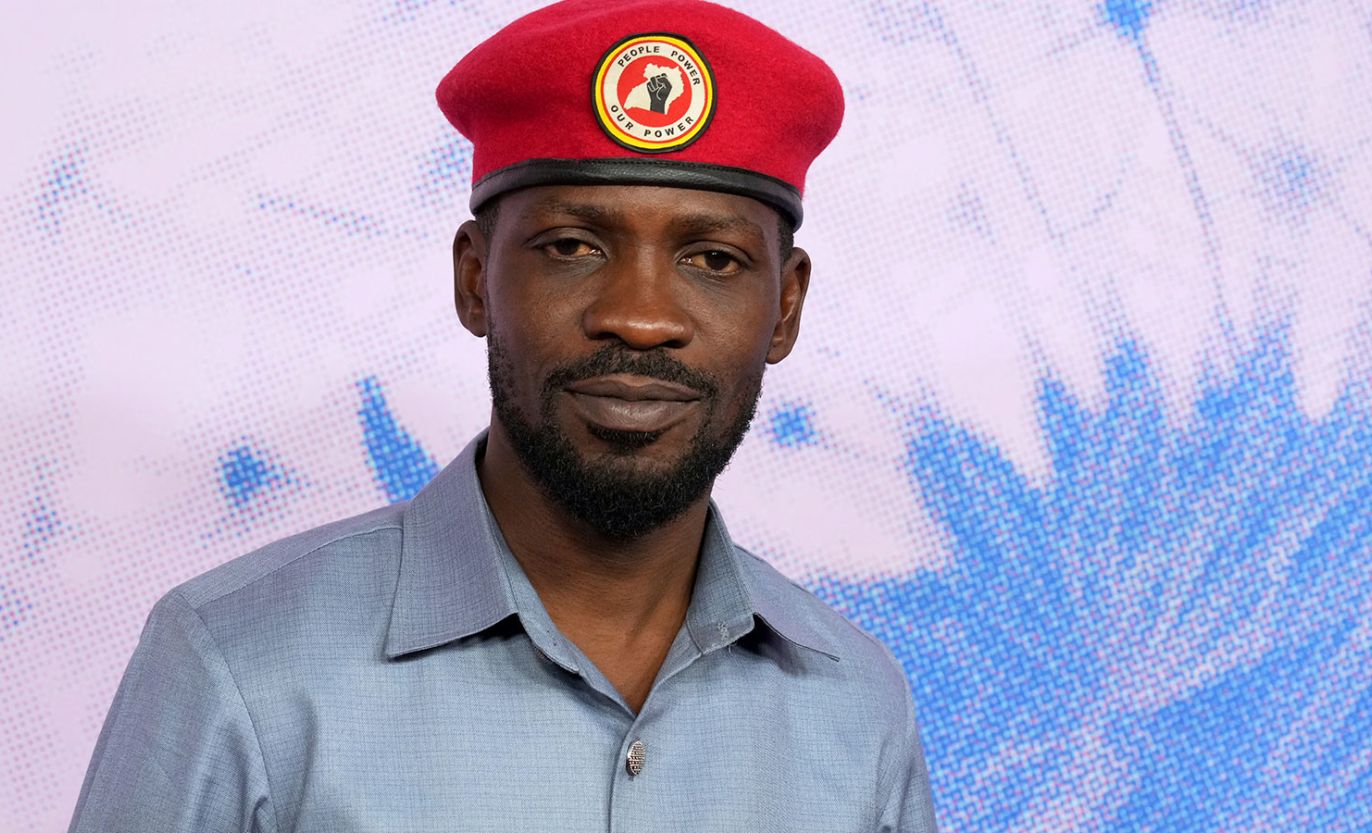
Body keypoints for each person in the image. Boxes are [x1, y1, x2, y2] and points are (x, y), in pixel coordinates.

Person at [67, 1, 938, 830]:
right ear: (474, 279)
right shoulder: (237, 664)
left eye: (712, 259)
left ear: (784, 308)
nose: (639, 317)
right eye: (573, 247)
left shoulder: (859, 709)